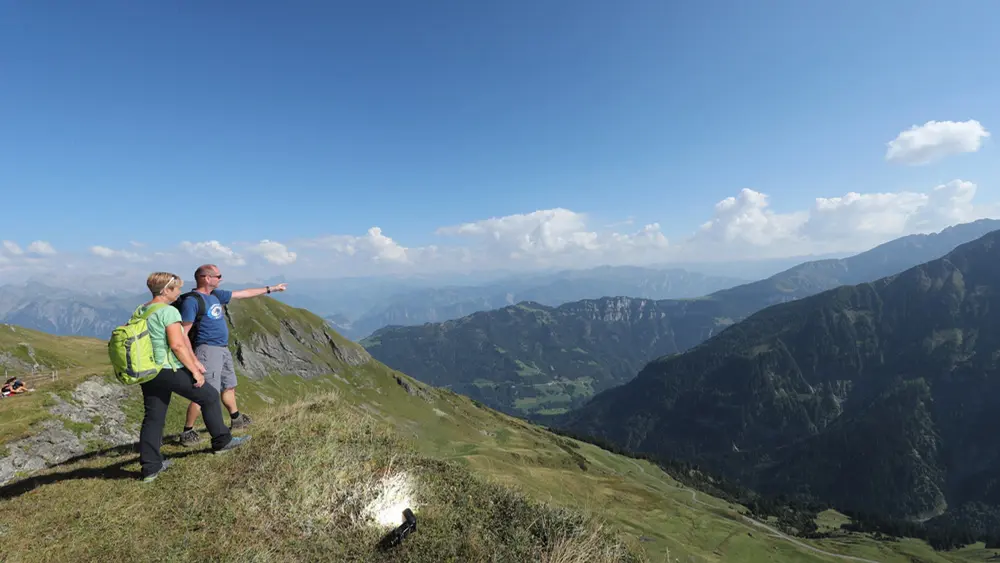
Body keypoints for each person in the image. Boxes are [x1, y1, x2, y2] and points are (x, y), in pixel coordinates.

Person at [137, 272, 250, 482]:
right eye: (176, 288)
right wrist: (195, 370)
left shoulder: (142, 310)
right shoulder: (168, 312)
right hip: (166, 368)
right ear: (166, 291)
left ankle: (151, 468)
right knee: (208, 395)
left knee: (153, 417)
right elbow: (177, 344)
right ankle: (222, 442)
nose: (179, 292)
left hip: (147, 371)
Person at [176, 263, 287, 446]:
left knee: (229, 386)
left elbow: (243, 294)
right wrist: (193, 360)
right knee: (205, 392)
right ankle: (188, 432)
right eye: (218, 276)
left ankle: (236, 419)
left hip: (222, 349)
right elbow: (183, 333)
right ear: (206, 278)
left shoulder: (215, 295)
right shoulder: (192, 301)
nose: (221, 279)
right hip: (207, 350)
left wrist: (272, 289)